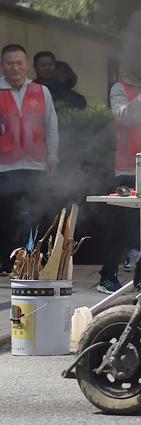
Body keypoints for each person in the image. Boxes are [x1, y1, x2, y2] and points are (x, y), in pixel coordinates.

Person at [97, 69, 141, 292]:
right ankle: (107, 277)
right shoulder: (120, 89)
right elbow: (125, 116)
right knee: (122, 226)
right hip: (127, 166)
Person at [0, 44, 60, 275]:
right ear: (3, 64)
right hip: (4, 165)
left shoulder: (41, 91)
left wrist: (52, 156)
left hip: (35, 163)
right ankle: (7, 263)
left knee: (37, 214)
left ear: (27, 65)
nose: (15, 68)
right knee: (6, 216)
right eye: (9, 63)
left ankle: (34, 259)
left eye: (19, 63)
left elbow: (51, 126)